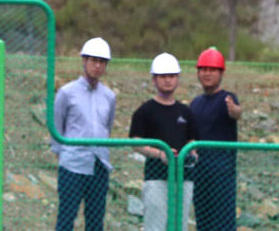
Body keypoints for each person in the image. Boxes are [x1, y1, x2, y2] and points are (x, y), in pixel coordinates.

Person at [51, 37, 115, 231]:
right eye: (93, 60)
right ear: (84, 61)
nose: (97, 65)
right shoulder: (66, 93)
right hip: (73, 165)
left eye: (102, 61)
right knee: (66, 218)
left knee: (96, 222)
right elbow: (57, 126)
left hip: (99, 165)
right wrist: (62, 154)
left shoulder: (109, 96)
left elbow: (107, 127)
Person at [129, 52, 199, 231]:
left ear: (178, 79)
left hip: (183, 179)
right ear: (154, 79)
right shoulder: (144, 111)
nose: (168, 80)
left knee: (179, 226)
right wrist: (160, 154)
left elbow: (192, 140)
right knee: (155, 226)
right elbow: (136, 142)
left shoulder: (186, 111)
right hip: (156, 178)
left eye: (172, 76)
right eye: (163, 76)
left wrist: (192, 154)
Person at [190, 47, 242, 231]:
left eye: (212, 70)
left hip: (222, 175)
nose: (207, 74)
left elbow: (236, 112)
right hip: (199, 173)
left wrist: (235, 111)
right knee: (203, 224)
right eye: (203, 69)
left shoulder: (227, 98)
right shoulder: (195, 103)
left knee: (223, 224)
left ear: (221, 73)